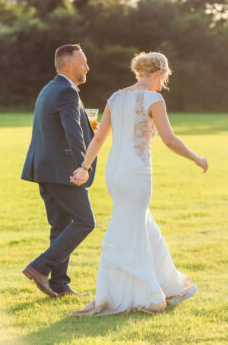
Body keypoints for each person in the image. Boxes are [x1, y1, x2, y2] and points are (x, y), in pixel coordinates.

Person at [69, 51, 208, 315]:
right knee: (129, 228)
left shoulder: (115, 97)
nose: (162, 84)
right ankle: (143, 295)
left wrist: (85, 167)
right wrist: (196, 158)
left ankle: (172, 285)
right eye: (163, 78)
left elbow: (98, 139)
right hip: (136, 173)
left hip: (115, 172)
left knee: (143, 224)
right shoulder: (154, 99)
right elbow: (169, 139)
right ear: (157, 74)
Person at [20, 44, 97, 298]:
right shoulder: (66, 92)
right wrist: (82, 166)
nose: (87, 67)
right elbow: (72, 131)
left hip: (45, 170)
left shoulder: (50, 88)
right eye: (83, 62)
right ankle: (39, 267)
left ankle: (59, 284)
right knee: (86, 221)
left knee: (61, 225)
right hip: (64, 172)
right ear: (69, 66)